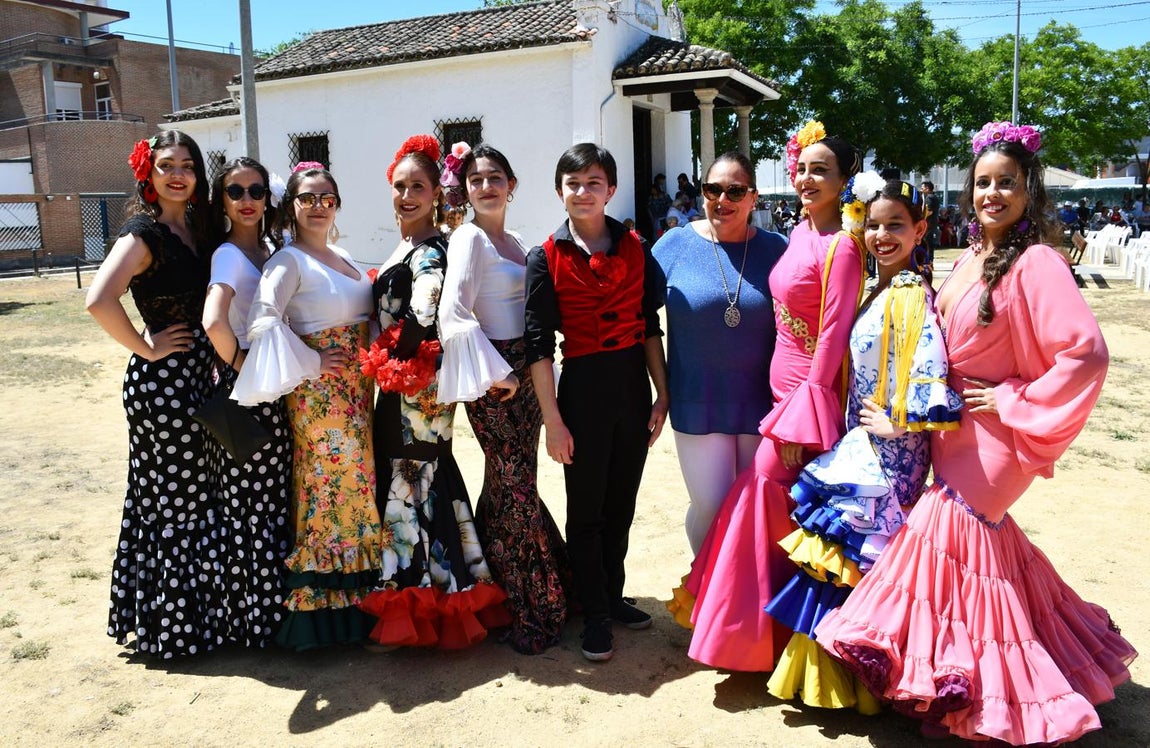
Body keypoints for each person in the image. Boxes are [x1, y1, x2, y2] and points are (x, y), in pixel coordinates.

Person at [815, 121, 1138, 745]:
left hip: (994, 436)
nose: (993, 194)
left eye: (1007, 184)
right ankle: (1009, 671)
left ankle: (994, 698)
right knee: (982, 558)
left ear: (1029, 189)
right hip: (954, 431)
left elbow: (1086, 355)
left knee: (947, 537)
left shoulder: (1038, 261)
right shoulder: (968, 256)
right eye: (983, 183)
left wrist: (1015, 398)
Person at [669, 120, 866, 672]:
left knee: (762, 507)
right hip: (770, 396)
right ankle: (755, 627)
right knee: (774, 516)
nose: (806, 178)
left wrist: (805, 416)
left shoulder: (841, 246)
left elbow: (831, 337)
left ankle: (746, 630)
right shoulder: (798, 234)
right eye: (801, 168)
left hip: (802, 403)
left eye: (820, 171)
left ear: (845, 178)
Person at [764, 178, 962, 711]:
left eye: (895, 224)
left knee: (852, 560)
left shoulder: (911, 292)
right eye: (873, 224)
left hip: (885, 458)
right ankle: (839, 680)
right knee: (843, 561)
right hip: (864, 448)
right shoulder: (881, 288)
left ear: (921, 229)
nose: (881, 234)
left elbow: (928, 363)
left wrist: (901, 422)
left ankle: (853, 682)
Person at [357, 135, 509, 649]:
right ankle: (434, 585)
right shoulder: (405, 244)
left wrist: (394, 357)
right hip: (404, 382)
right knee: (417, 472)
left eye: (416, 186)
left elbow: (426, 307)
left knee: (414, 473)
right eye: (399, 186)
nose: (406, 195)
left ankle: (424, 596)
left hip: (415, 383)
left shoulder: (430, 250)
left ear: (436, 192)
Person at [524, 143, 669, 663]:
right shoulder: (544, 256)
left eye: (593, 183)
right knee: (585, 511)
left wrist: (663, 393)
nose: (583, 192)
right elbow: (538, 346)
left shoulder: (636, 246)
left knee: (622, 505)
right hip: (581, 388)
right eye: (573, 183)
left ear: (610, 189)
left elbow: (650, 326)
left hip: (632, 385)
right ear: (559, 192)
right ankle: (596, 613)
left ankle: (612, 593)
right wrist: (553, 421)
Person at [231, 162, 382, 650]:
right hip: (320, 398)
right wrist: (313, 359)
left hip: (359, 392)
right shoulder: (287, 260)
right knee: (331, 490)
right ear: (291, 207)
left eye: (327, 198)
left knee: (359, 487)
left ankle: (363, 602)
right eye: (308, 198)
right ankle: (325, 617)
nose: (319, 206)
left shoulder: (342, 255)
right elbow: (262, 321)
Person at [86, 129, 222, 658]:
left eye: (187, 164)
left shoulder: (194, 228)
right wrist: (146, 347)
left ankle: (197, 617)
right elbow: (100, 300)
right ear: (148, 173)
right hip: (163, 387)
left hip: (195, 379)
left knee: (192, 498)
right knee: (172, 503)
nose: (178, 174)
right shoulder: (142, 235)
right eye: (167, 164)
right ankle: (172, 626)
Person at [436, 142, 572, 655]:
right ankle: (538, 603)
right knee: (514, 487)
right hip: (497, 379)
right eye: (476, 180)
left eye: (495, 177)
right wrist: (495, 375)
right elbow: (453, 313)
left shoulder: (514, 240)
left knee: (507, 486)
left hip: (527, 373)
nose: (487, 186)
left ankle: (497, 593)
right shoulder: (468, 237)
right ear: (466, 190)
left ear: (511, 184)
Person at [651, 151, 786, 555]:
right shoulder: (674, 244)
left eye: (734, 190)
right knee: (710, 507)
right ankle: (704, 594)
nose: (721, 200)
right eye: (712, 189)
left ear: (753, 198)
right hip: (696, 399)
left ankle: (741, 601)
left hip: (761, 404)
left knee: (753, 508)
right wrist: (660, 388)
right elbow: (638, 320)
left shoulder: (778, 248)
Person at [201, 157, 292, 647]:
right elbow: (213, 321)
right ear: (223, 200)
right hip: (247, 392)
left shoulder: (269, 249)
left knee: (271, 502)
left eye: (256, 190)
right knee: (249, 508)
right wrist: (243, 366)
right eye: (236, 192)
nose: (247, 200)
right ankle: (252, 623)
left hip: (270, 389)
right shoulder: (228, 256)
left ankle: (271, 616)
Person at [921, 180, 940, 261]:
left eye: (922, 187)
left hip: (928, 224)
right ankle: (930, 260)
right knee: (930, 243)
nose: (921, 188)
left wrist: (921, 217)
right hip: (933, 223)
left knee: (927, 243)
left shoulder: (929, 197)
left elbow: (929, 211)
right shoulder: (934, 196)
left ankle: (927, 261)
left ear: (927, 188)